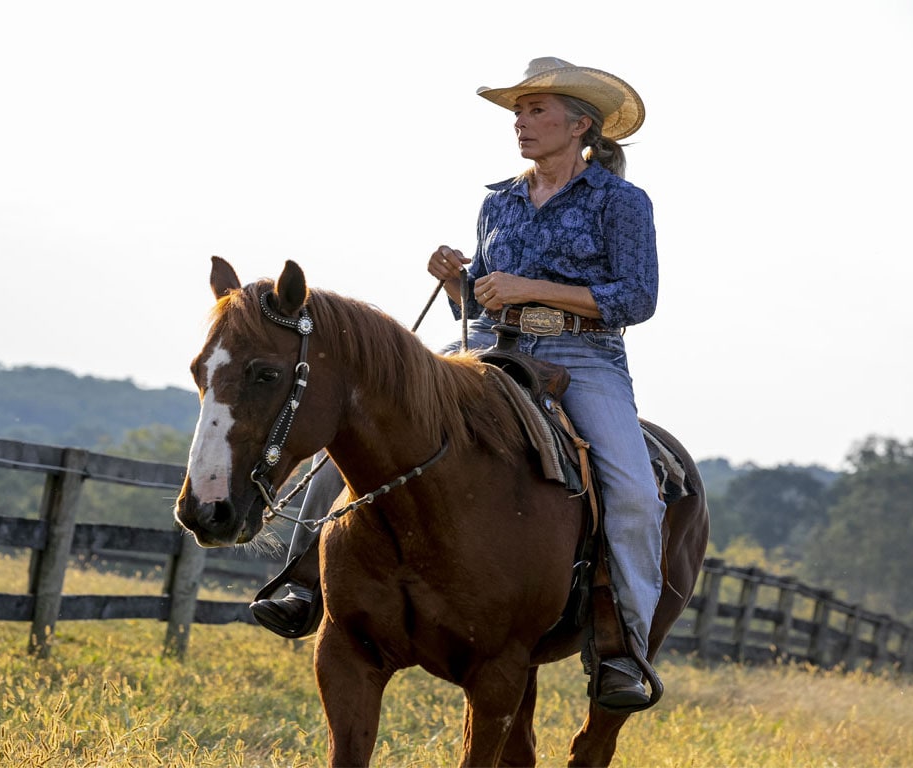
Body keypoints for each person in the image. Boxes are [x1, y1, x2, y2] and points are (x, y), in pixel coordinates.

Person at [251, 57, 664, 711]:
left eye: (536, 111)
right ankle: (299, 575)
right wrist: (456, 285)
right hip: (487, 345)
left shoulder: (621, 203)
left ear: (579, 123)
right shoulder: (498, 200)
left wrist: (532, 287)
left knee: (637, 494)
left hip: (583, 358)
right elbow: (475, 306)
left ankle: (622, 650)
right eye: (518, 112)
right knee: (366, 421)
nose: (521, 124)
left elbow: (637, 297)